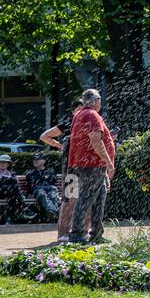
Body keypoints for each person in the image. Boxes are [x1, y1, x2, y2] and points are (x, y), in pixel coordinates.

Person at [66, 89, 115, 244]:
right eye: (100, 100)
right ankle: (76, 235)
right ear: (96, 101)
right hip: (92, 164)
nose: (101, 103)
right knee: (85, 199)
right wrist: (108, 162)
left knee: (99, 200)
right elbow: (95, 140)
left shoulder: (79, 115)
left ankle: (96, 234)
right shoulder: (92, 115)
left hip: (87, 164)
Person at [41, 101, 85, 240]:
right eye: (78, 109)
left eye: (83, 109)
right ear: (73, 111)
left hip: (84, 167)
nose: (81, 111)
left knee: (81, 199)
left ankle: (80, 231)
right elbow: (44, 136)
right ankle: (62, 233)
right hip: (71, 168)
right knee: (69, 200)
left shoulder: (87, 123)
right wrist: (59, 146)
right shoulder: (69, 123)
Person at [0, 154, 33, 223]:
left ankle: (9, 219)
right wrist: (8, 181)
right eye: (0, 162)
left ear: (8, 164)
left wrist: (4, 180)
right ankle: (25, 209)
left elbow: (14, 181)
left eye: (4, 162)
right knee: (13, 189)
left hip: (10, 193)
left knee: (12, 196)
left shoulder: (11, 173)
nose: (2, 164)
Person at [26, 153, 61, 221]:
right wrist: (44, 178)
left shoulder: (50, 171)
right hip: (37, 190)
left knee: (53, 196)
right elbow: (33, 183)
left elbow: (52, 180)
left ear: (44, 161)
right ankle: (55, 212)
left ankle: (52, 214)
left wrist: (42, 179)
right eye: (34, 159)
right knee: (42, 194)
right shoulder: (30, 173)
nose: (35, 161)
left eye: (38, 159)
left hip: (50, 189)